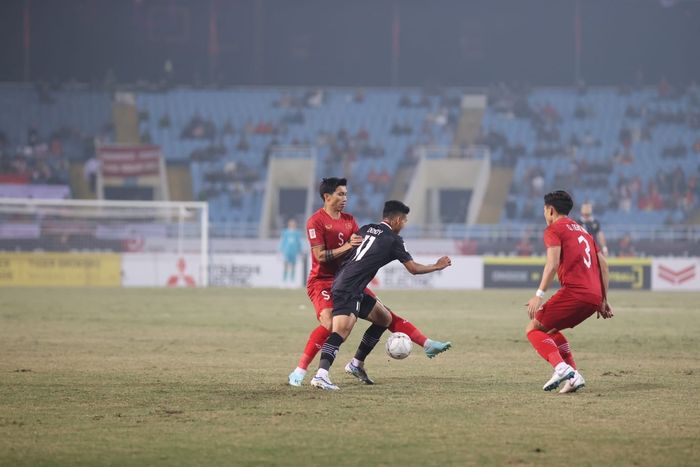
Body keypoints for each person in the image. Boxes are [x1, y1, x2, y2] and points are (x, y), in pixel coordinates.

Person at [288, 178, 451, 387]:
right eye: (340, 194)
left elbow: (361, 251)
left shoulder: (354, 223)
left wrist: (364, 270)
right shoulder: (316, 221)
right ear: (327, 197)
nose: (345, 198)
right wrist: (437, 265)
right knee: (333, 326)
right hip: (325, 281)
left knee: (384, 317)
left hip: (348, 279)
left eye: (346, 194)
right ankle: (307, 371)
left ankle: (358, 363)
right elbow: (321, 256)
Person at [525, 191, 613, 394]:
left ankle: (561, 368)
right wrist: (604, 300)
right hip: (594, 298)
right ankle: (574, 377)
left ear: (550, 210)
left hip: (575, 293)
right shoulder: (583, 231)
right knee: (551, 330)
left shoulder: (554, 229)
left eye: (544, 210)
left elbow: (552, 263)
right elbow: (604, 265)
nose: (544, 213)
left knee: (533, 329)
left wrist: (539, 294)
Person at [279, 218, 303, 286]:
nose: (292, 225)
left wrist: (300, 251)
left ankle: (292, 281)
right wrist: (280, 251)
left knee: (293, 266)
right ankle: (284, 280)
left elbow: (299, 243)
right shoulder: (285, 232)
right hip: (287, 251)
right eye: (291, 223)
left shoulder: (298, 233)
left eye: (293, 224)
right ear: (289, 224)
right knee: (286, 266)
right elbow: (282, 242)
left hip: (294, 252)